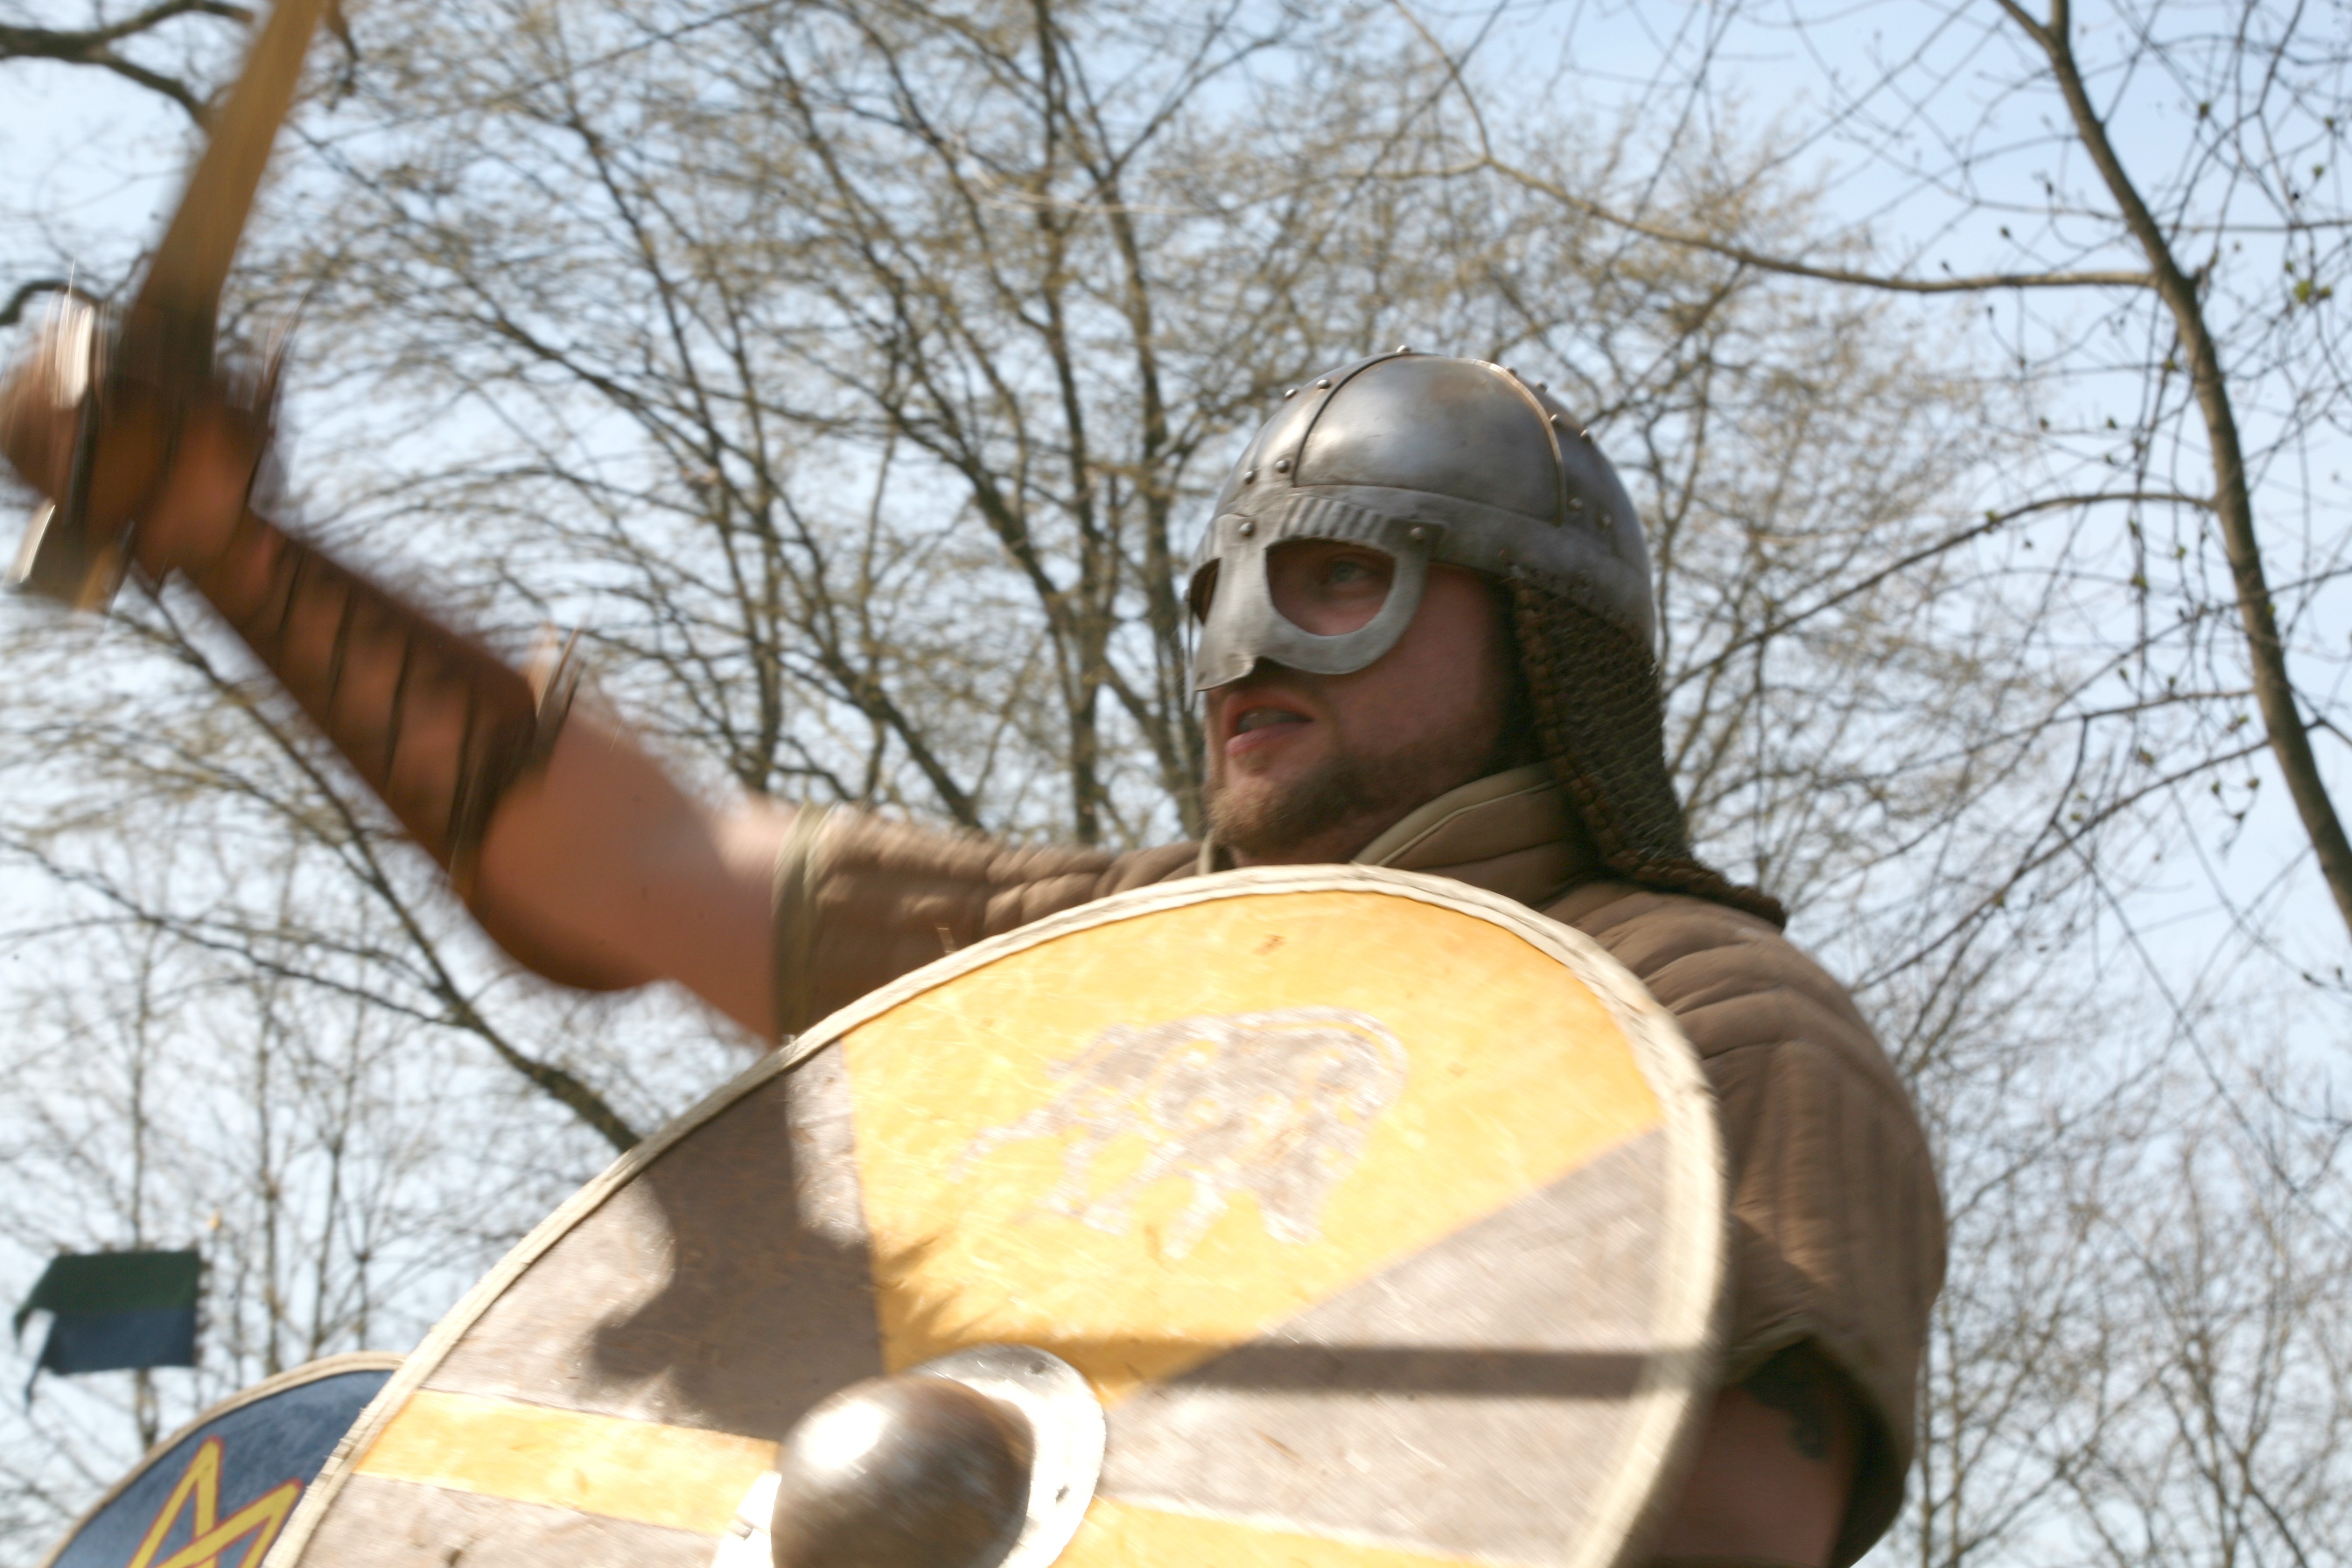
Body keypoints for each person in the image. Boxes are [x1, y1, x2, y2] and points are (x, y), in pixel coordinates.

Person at [0, 338, 1943, 1568]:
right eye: (1225, 598)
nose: (1251, 647)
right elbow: (620, 864)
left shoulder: (1714, 1021)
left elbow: (1698, 1534)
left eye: (1342, 576)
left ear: (1541, 642)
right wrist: (235, 542)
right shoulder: (1087, 962)